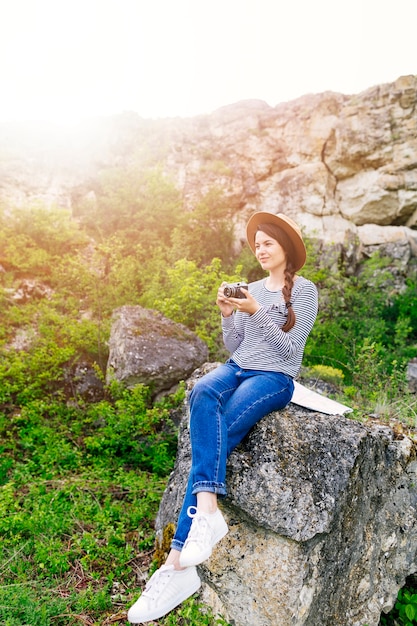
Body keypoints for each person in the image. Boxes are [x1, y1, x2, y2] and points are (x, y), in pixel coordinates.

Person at [127, 211, 318, 624]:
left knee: (219, 434)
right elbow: (234, 344)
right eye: (257, 244)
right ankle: (208, 514)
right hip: (238, 365)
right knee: (202, 391)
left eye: (268, 242)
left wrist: (254, 311)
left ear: (286, 247)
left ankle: (177, 563)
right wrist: (229, 314)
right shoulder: (248, 288)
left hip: (274, 377)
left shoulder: (304, 291)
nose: (260, 249)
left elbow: (288, 351)